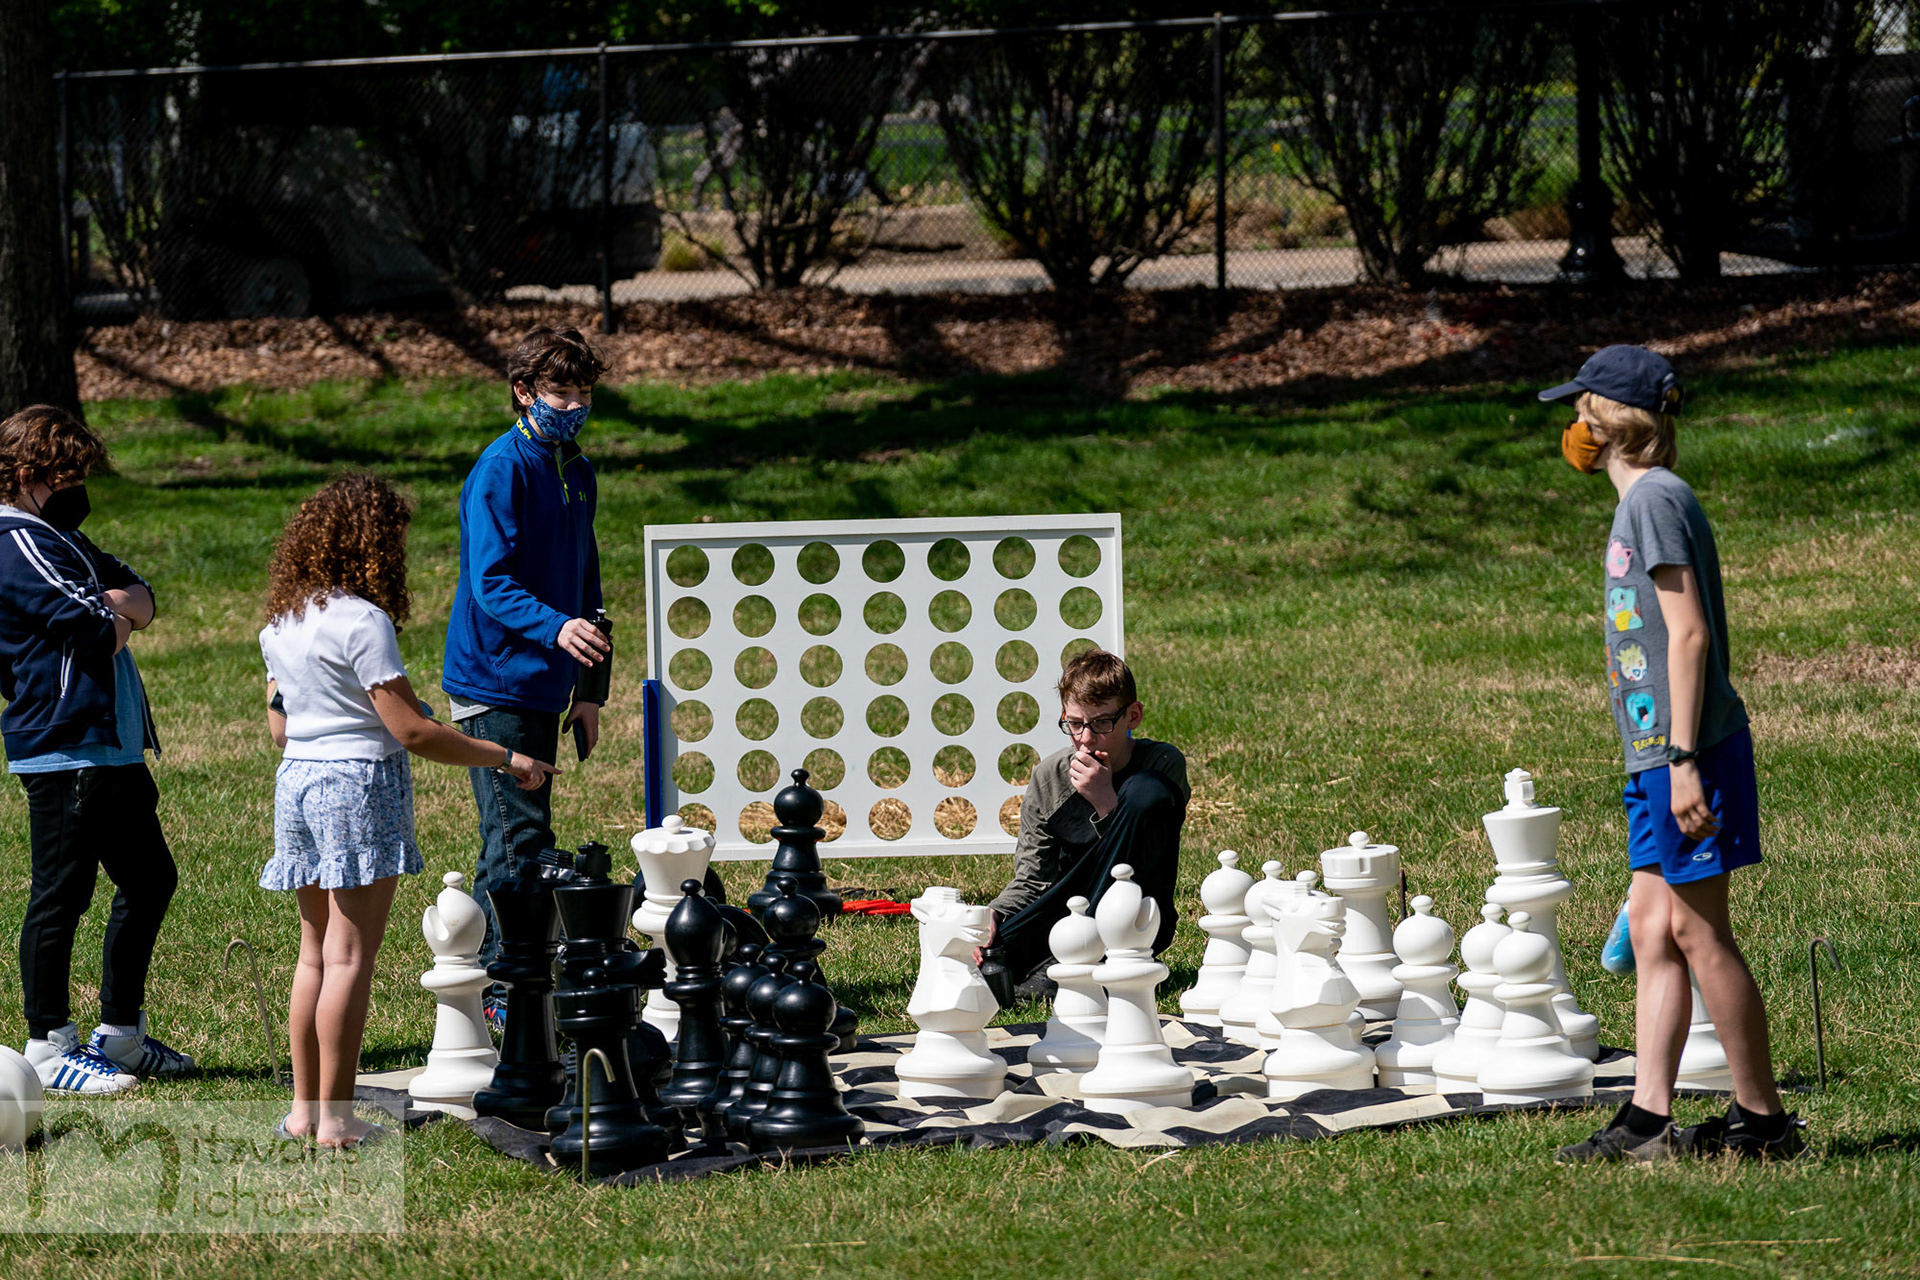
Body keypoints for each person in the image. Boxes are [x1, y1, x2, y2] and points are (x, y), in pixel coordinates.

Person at [1539, 345, 1804, 1163]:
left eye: (1581, 408)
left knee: (1698, 933)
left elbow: (1688, 633)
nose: (1573, 425)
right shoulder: (1651, 499)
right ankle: (1648, 1120)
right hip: (1657, 755)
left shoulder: (1652, 499)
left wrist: (1683, 758)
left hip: (1687, 753)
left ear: (1609, 421)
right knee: (1653, 929)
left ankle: (1763, 1123)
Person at [261, 474, 553, 1147]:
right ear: (373, 544)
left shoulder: (281, 622)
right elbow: (413, 733)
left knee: (313, 956)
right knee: (350, 959)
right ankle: (335, 1119)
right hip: (358, 786)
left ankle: (304, 1112)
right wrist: (506, 759)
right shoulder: (365, 622)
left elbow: (280, 728)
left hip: (297, 783)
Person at [0, 405, 194, 1094]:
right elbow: (90, 627)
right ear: (26, 475)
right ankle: (49, 1047)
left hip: (110, 744)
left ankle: (122, 1034)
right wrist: (120, 608)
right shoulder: (14, 540)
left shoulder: (59, 536)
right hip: (65, 744)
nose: (79, 489)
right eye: (66, 476)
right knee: (62, 892)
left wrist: (124, 605)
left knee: (150, 880)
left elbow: (140, 592)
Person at [441, 327, 611, 1020]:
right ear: (523, 392)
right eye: (559, 391)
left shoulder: (576, 466)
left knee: (514, 841)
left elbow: (587, 577)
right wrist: (556, 626)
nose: (573, 404)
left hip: (546, 681)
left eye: (583, 392)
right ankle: (503, 991)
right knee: (520, 844)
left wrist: (590, 690)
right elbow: (491, 583)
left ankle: (495, 980)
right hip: (495, 680)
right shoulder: (501, 469)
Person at [976, 649, 1189, 999]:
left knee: (1146, 792)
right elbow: (1032, 879)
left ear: (1132, 716)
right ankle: (1066, 966)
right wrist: (995, 915)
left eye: (1102, 723)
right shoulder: (1050, 777)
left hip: (1138, 911)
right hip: (1065, 909)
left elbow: (1146, 863)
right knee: (990, 950)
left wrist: (1105, 801)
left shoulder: (1162, 765)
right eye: (1075, 724)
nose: (1087, 739)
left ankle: (1071, 968)